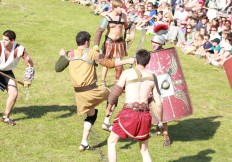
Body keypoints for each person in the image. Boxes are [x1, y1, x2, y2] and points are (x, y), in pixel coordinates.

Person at [55, 31, 135, 151]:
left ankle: (84, 143)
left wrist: (63, 55)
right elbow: (109, 63)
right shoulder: (92, 53)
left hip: (79, 95)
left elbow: (57, 68)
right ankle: (107, 122)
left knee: (91, 115)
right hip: (92, 91)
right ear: (87, 42)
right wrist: (128, 61)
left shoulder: (70, 53)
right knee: (114, 94)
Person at [106, 49, 163, 162]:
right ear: (147, 62)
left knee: (111, 142)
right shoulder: (153, 76)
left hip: (128, 114)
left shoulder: (127, 73)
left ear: (136, 60)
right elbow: (159, 104)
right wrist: (160, 122)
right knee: (144, 150)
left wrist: (108, 109)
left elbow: (115, 93)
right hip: (145, 117)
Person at [0, 30, 35, 126]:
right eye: (3, 39)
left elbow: (30, 64)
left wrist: (28, 78)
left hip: (6, 71)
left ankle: (5, 117)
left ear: (12, 41)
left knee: (14, 93)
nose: (3, 42)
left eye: (6, 40)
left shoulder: (19, 49)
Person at [93, 0, 130, 86]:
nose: (122, 9)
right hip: (109, 41)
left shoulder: (123, 16)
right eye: (120, 7)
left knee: (119, 62)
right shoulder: (107, 17)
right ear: (114, 7)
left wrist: (127, 35)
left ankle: (118, 82)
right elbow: (99, 31)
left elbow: (127, 27)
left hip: (120, 41)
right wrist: (96, 44)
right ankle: (103, 81)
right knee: (107, 62)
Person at [150, 24, 171, 147]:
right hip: (153, 84)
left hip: (163, 85)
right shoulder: (152, 53)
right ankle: (158, 129)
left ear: (161, 43)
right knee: (152, 107)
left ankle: (166, 137)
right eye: (152, 42)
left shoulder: (165, 54)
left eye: (156, 42)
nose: (153, 44)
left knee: (163, 112)